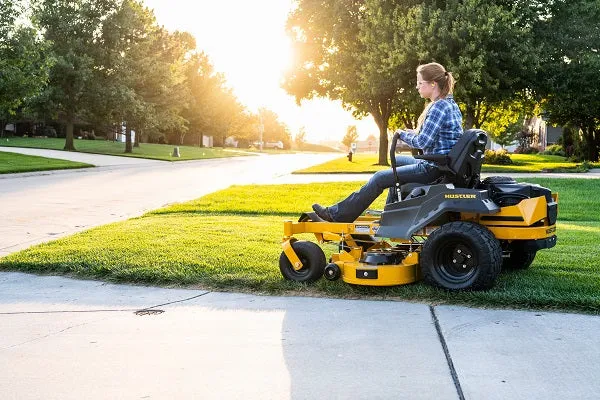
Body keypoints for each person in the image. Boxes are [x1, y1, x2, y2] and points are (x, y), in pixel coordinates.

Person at [312, 62, 463, 223]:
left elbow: (422, 141)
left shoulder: (438, 107)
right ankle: (391, 213)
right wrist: (411, 132)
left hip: (433, 168)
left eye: (420, 83)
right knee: (396, 161)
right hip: (441, 164)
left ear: (433, 84)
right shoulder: (449, 104)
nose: (417, 87)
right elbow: (434, 136)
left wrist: (401, 134)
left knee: (379, 178)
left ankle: (337, 215)